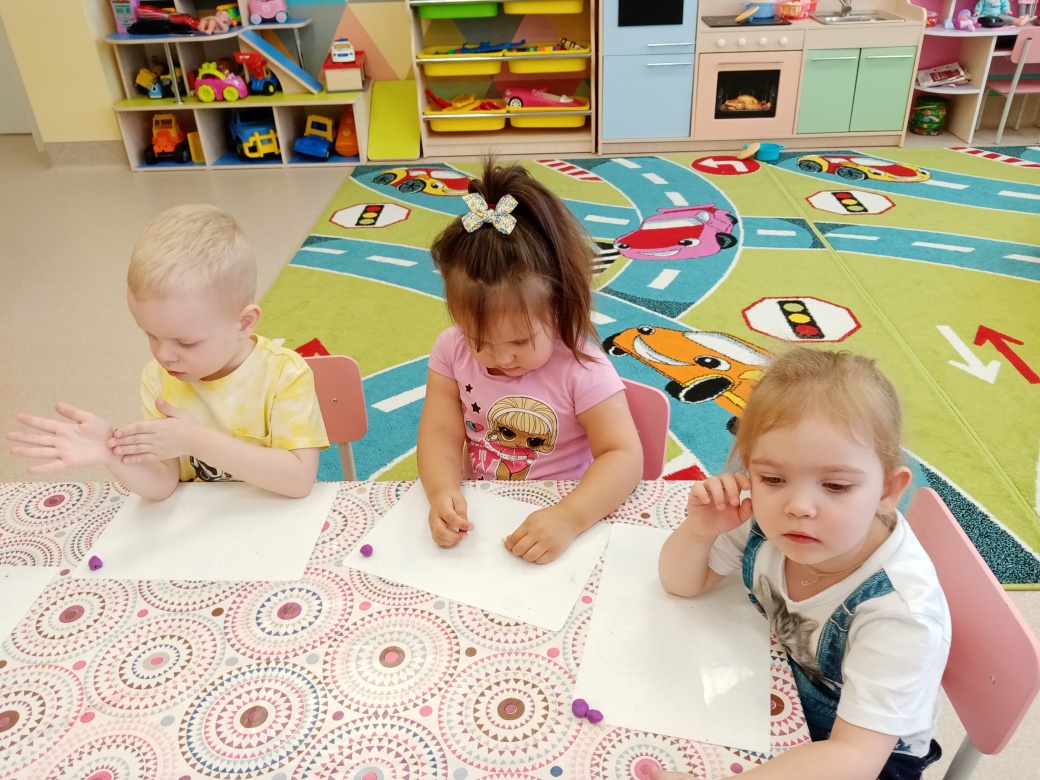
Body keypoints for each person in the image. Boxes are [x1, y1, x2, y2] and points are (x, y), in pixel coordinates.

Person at [653, 347, 950, 780]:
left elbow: (855, 758)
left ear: (887, 491)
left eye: (836, 485)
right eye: (773, 478)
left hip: (865, 752)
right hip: (780, 686)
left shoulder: (902, 617)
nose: (798, 506)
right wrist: (700, 531)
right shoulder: (763, 518)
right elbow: (681, 584)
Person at [8, 205, 329, 500]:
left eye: (186, 343)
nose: (164, 355)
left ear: (243, 323)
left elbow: (298, 481)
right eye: (150, 335)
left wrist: (195, 440)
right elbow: (163, 484)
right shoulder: (159, 378)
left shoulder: (284, 374)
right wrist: (113, 453)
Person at [417, 158, 643, 565]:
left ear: (559, 307)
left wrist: (570, 517)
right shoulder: (450, 350)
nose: (502, 358)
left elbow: (624, 457)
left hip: (570, 513)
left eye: (520, 340)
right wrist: (441, 491)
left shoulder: (583, 368)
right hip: (485, 515)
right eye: (479, 340)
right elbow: (439, 432)